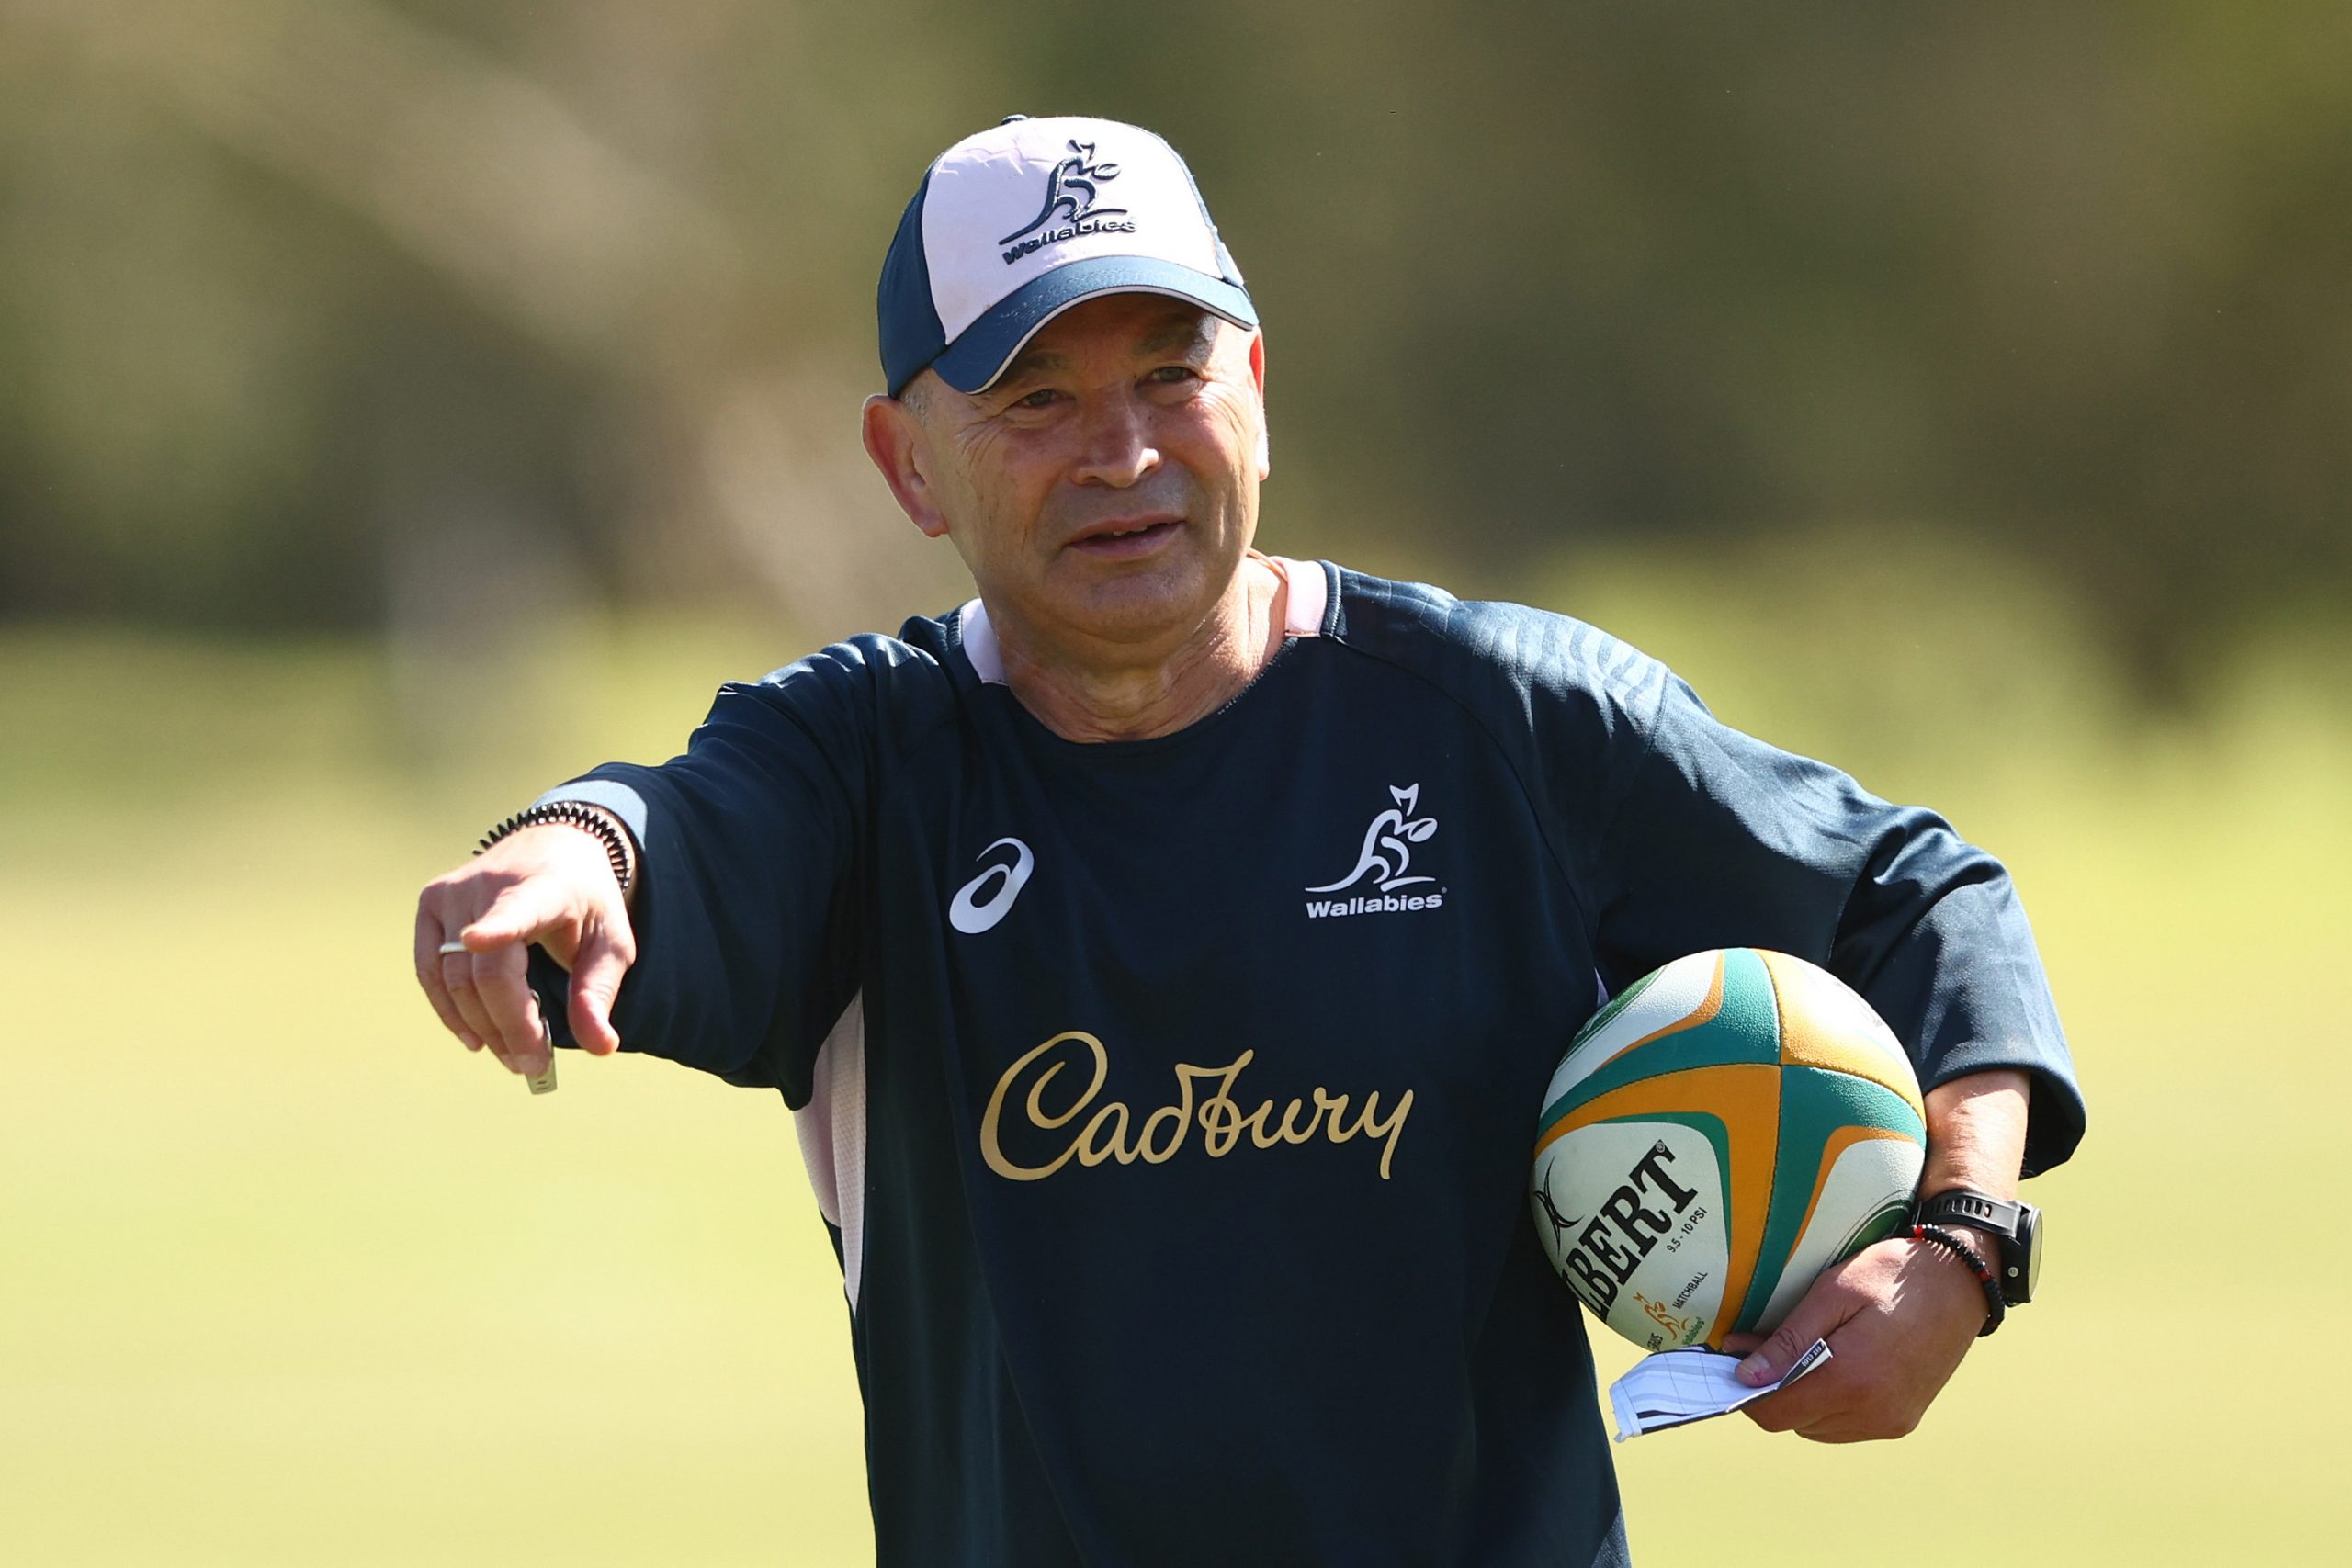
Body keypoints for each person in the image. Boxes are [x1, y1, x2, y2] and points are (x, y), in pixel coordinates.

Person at [413, 116, 2084, 1566]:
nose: (1125, 451)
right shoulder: (865, 767)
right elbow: (676, 824)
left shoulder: (1497, 721)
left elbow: (1920, 902)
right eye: (1036, 397)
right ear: (906, 466)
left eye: (1172, 373)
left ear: (1258, 392)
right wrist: (573, 843)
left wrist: (1959, 1245)